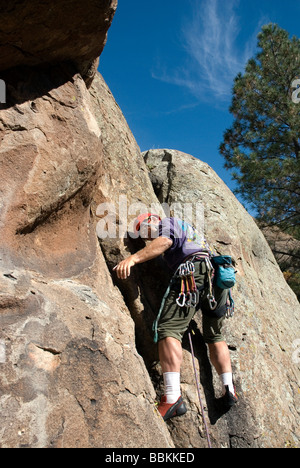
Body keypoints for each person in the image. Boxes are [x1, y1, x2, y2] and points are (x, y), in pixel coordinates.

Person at [114, 213, 238, 421]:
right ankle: (229, 388)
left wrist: (133, 258)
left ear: (152, 219)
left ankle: (172, 398)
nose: (147, 238)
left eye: (144, 230)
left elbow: (165, 241)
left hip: (193, 273)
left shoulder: (168, 223)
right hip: (216, 278)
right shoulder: (189, 231)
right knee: (214, 335)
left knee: (168, 328)